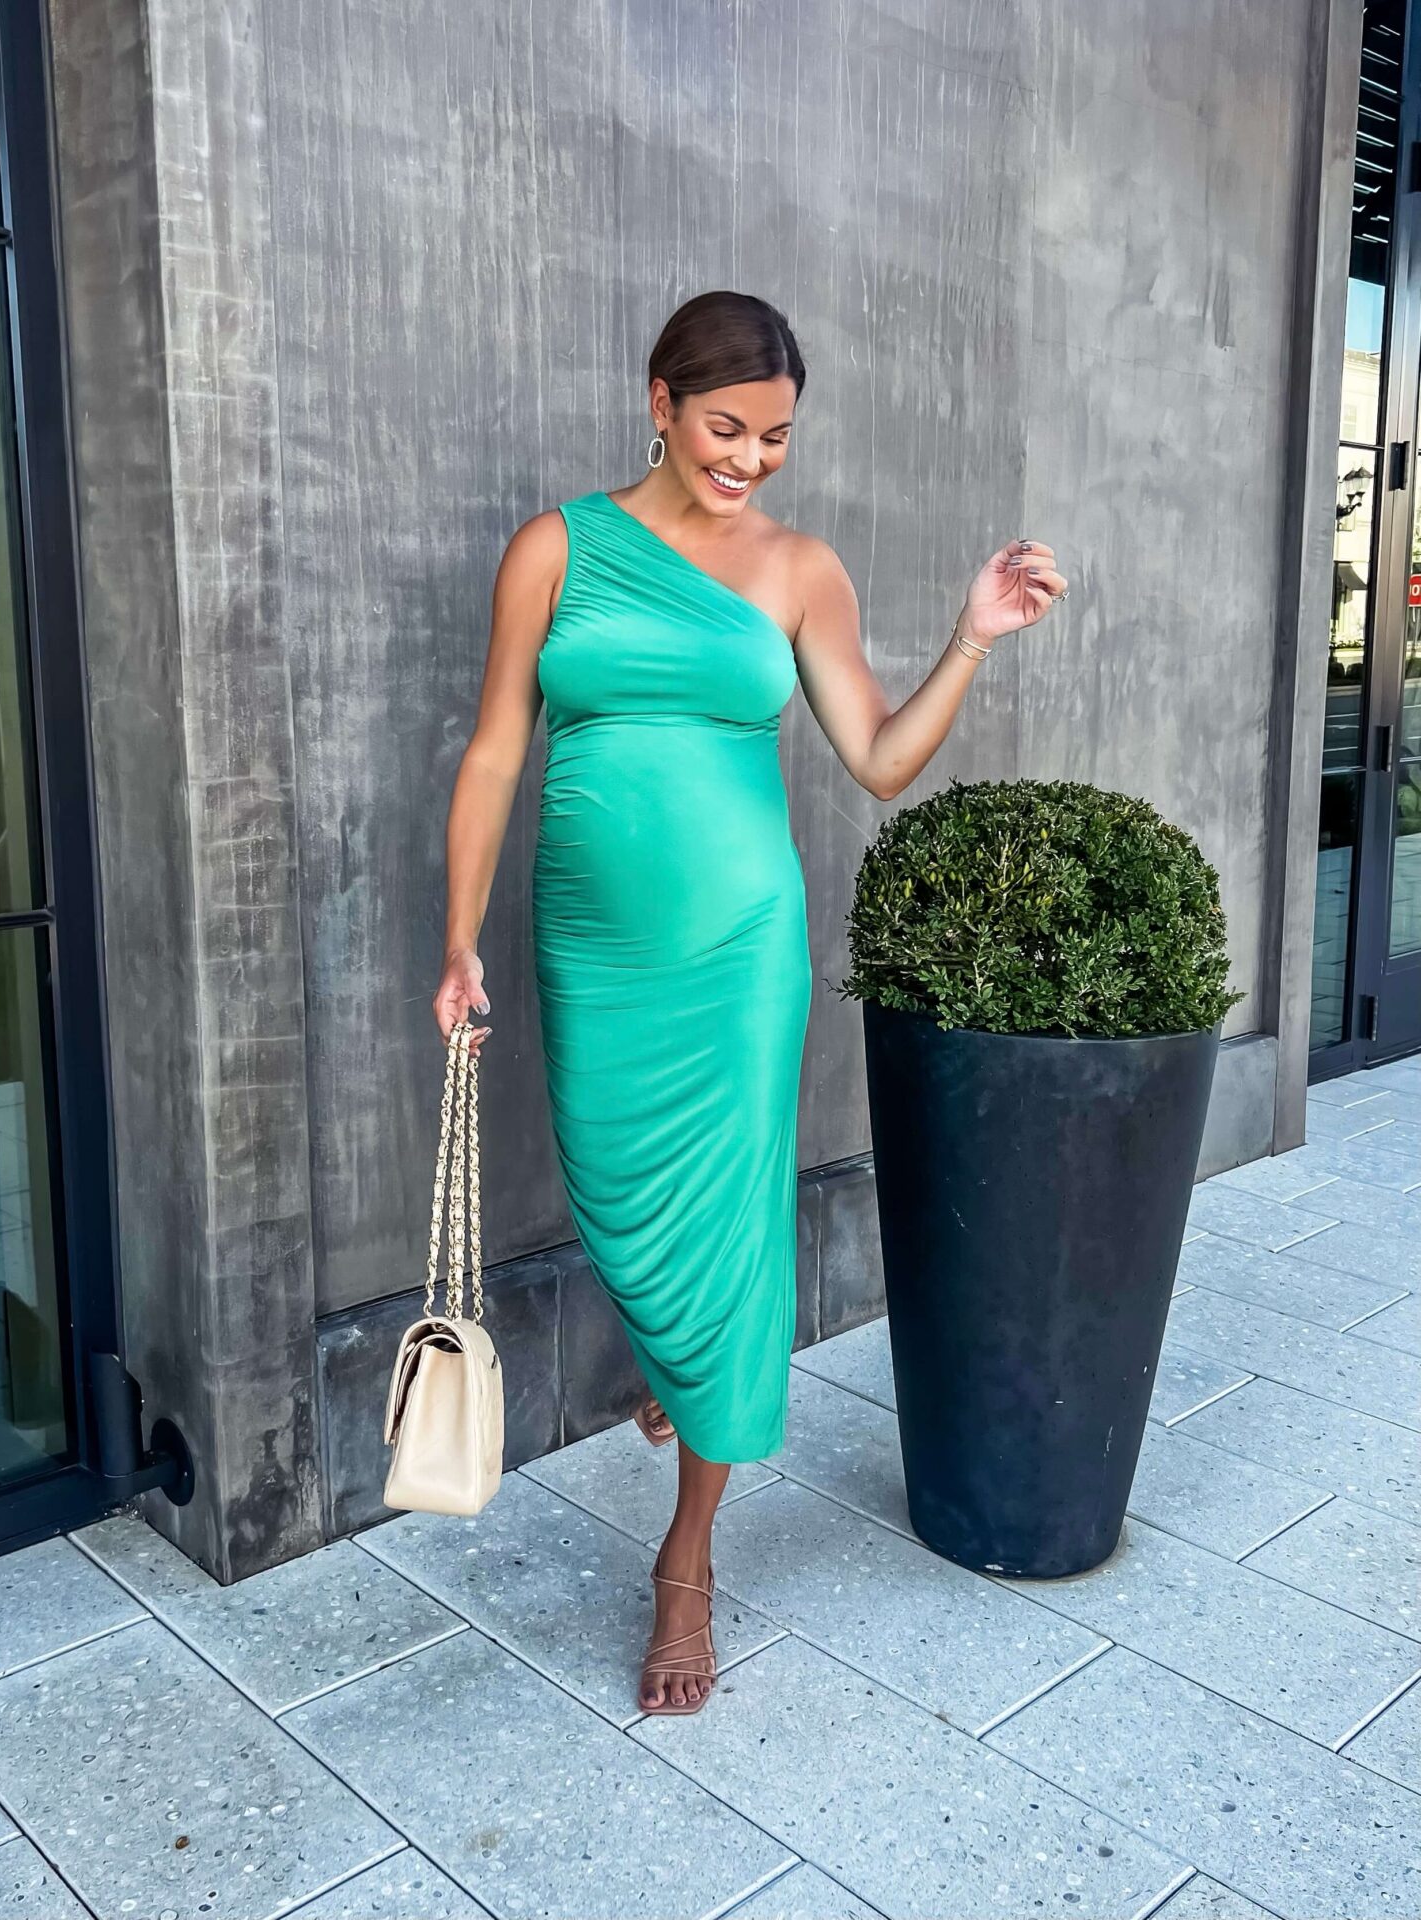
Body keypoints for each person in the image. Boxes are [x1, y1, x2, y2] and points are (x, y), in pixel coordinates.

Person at [432, 289, 1068, 1715]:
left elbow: (880, 761)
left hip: (739, 959)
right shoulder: (557, 547)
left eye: (777, 436)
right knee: (610, 1191)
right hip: (594, 948)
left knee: (721, 1244)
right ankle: (691, 1363)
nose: (753, 458)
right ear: (658, 399)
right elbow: (490, 753)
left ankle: (687, 1562)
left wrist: (970, 636)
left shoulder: (797, 569)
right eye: (728, 428)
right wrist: (458, 937)